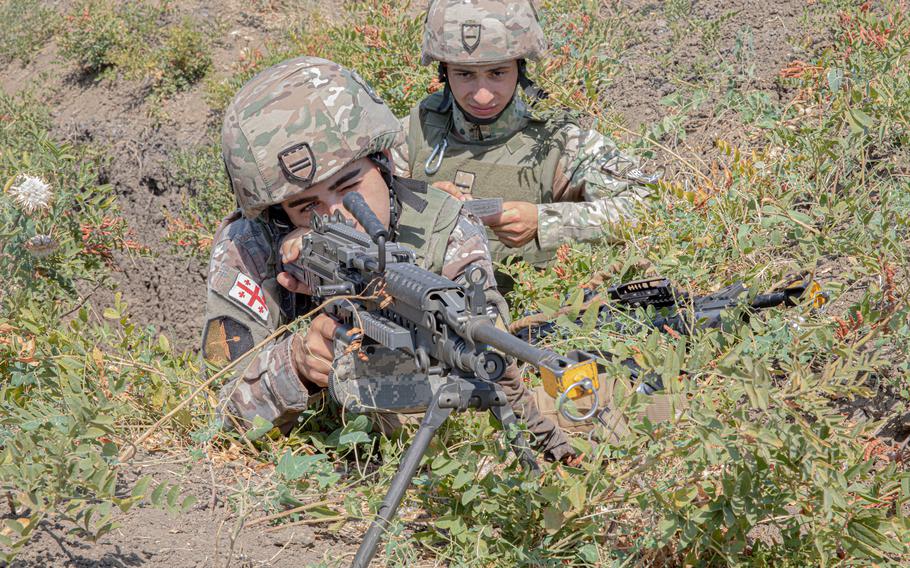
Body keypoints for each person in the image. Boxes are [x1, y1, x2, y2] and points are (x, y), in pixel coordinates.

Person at [201, 56, 576, 462]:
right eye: (306, 207)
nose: (338, 213)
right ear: (278, 215)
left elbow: (488, 365)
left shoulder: (443, 225)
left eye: (350, 185)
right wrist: (294, 364)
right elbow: (221, 411)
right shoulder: (251, 245)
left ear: (382, 165)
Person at [392, 0, 656, 282]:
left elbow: (647, 207)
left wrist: (543, 222)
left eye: (497, 73)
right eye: (465, 74)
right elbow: (357, 205)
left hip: (532, 318)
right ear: (444, 73)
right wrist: (426, 203)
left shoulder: (559, 141)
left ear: (520, 70)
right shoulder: (418, 130)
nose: (482, 95)